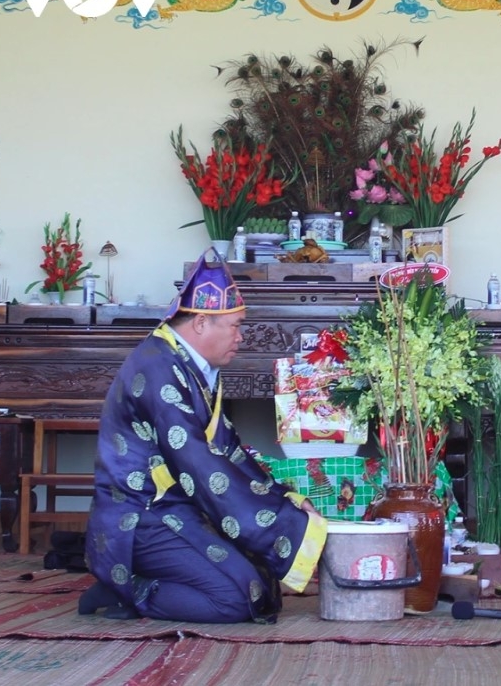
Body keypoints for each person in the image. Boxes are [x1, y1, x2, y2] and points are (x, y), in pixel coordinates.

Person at [80, 251, 327, 623]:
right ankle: (129, 589)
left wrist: (284, 500)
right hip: (140, 517)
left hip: (176, 511)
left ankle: (136, 583)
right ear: (200, 323)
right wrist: (282, 524)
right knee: (239, 598)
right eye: (236, 326)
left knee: (263, 587)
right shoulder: (159, 367)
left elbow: (229, 451)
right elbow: (200, 463)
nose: (241, 338)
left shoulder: (191, 367)